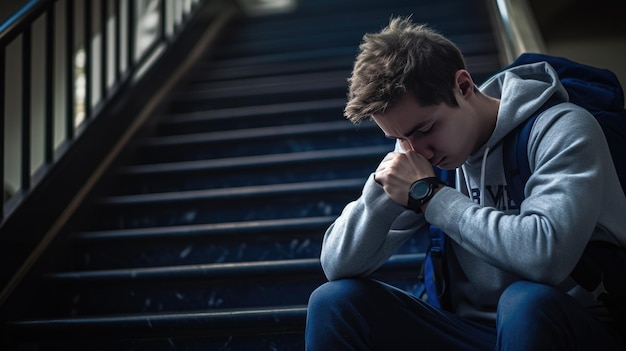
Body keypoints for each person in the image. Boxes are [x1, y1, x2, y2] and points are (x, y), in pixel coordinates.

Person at [304, 16, 626, 350]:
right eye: (399, 138)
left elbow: (544, 258)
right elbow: (337, 265)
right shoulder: (424, 155)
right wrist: (379, 190)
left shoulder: (562, 129)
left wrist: (432, 197)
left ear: (463, 87)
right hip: (469, 330)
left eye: (425, 129)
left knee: (525, 301)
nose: (417, 153)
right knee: (335, 301)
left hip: (573, 328)